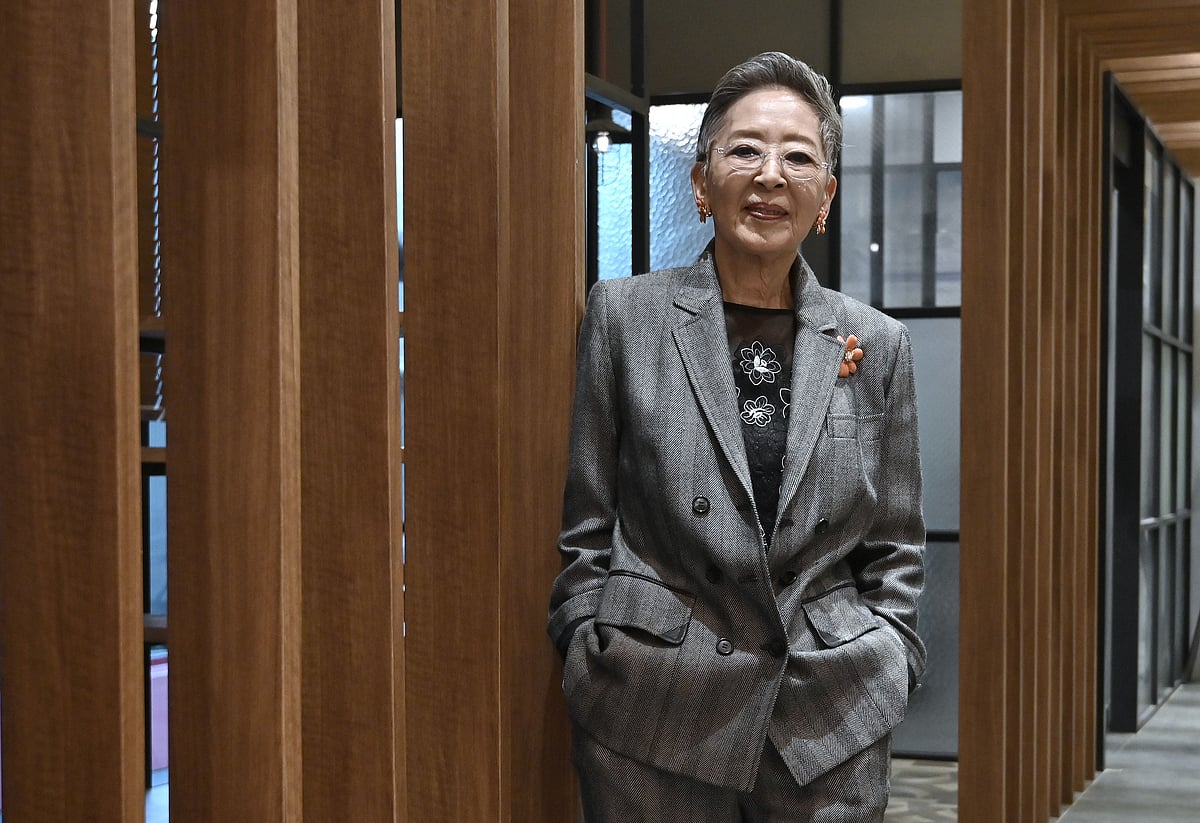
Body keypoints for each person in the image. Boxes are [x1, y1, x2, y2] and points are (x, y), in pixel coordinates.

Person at [548, 51, 925, 822]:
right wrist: (589, 645)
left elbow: (896, 544)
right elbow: (588, 525)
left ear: (825, 194)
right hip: (653, 711)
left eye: (799, 155)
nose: (770, 173)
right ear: (700, 181)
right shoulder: (625, 317)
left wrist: (892, 659)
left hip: (829, 716)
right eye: (745, 148)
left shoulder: (875, 342)